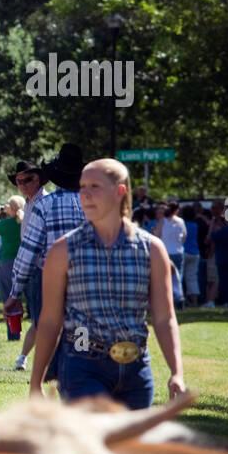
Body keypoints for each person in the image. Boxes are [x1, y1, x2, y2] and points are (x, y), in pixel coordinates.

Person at [32, 158, 185, 409]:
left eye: (94, 186)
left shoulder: (152, 250)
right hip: (82, 364)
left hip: (136, 368)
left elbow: (164, 317)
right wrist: (36, 382)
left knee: (131, 447)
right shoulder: (63, 250)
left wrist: (176, 372)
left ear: (119, 192)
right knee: (95, 444)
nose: (85, 194)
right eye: (82, 187)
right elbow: (49, 320)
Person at [5, 145, 86, 374]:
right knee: (81, 324)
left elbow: (28, 251)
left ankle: (52, 369)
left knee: (49, 325)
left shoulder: (45, 205)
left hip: (50, 277)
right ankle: (78, 366)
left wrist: (15, 292)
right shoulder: (94, 205)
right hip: (86, 277)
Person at [6, 159, 47, 369]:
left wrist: (15, 290)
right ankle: (23, 359)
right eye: (18, 181)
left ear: (39, 179)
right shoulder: (31, 202)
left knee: (45, 322)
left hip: (43, 270)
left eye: (28, 179)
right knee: (39, 321)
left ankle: (45, 366)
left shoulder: (44, 202)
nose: (22, 184)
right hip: (32, 270)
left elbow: (34, 247)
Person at [0, 195, 25, 340]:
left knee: (9, 298)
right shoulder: (25, 222)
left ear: (12, 208)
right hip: (25, 262)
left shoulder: (5, 224)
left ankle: (14, 333)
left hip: (7, 263)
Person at [154, 201, 187, 309]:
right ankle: (179, 297)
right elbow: (184, 236)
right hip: (178, 251)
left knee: (165, 277)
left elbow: (157, 236)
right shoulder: (180, 221)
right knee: (178, 276)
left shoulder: (163, 221)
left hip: (166, 252)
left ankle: (169, 299)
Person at [180, 204, 201, 308]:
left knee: (180, 277)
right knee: (192, 277)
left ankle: (181, 300)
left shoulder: (181, 224)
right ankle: (194, 301)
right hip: (195, 253)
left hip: (184, 252)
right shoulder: (195, 225)